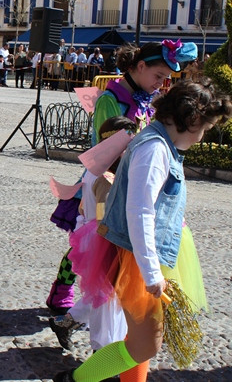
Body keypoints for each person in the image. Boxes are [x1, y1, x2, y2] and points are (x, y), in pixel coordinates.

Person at [54, 79, 231, 382]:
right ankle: (76, 379)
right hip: (134, 258)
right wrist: (151, 273)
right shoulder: (154, 149)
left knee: (140, 341)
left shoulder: (158, 143)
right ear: (190, 120)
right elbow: (140, 212)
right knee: (145, 341)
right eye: (204, 128)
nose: (202, 137)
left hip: (137, 254)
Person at [47, 41, 199, 316]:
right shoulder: (110, 99)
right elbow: (108, 144)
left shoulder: (143, 98)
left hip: (129, 179)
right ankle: (62, 290)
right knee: (88, 241)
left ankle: (103, 305)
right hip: (106, 181)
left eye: (165, 79)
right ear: (140, 67)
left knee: (110, 248)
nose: (160, 84)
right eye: (158, 76)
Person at [49, 116, 136, 352]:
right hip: (104, 241)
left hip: (91, 236)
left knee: (101, 293)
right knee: (105, 299)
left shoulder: (92, 170)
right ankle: (103, 349)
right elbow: (104, 216)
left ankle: (65, 323)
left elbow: (84, 207)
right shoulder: (106, 178)